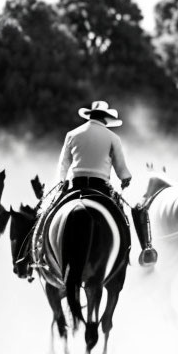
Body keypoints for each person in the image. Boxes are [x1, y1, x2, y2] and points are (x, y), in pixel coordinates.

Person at [52, 100, 157, 265]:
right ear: (106, 119)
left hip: (76, 185)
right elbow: (122, 169)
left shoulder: (72, 134)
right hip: (100, 187)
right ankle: (145, 249)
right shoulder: (113, 137)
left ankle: (34, 253)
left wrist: (61, 182)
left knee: (47, 213)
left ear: (90, 115)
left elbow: (63, 164)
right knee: (131, 213)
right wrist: (125, 179)